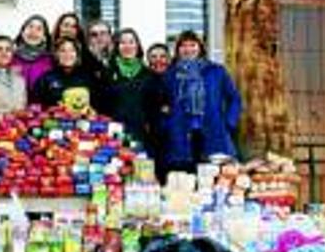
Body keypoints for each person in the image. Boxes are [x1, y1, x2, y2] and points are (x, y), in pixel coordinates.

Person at [162, 30, 242, 175]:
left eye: (192, 45)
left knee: (212, 176)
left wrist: (229, 122)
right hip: (180, 133)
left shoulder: (216, 71)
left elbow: (234, 98)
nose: (188, 49)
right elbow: (161, 101)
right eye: (183, 46)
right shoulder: (170, 74)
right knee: (185, 177)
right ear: (178, 49)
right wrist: (166, 122)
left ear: (200, 47)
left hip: (213, 131)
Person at [102, 28, 153, 149]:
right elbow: (102, 104)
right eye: (123, 42)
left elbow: (152, 104)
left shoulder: (148, 73)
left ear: (137, 45)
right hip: (114, 134)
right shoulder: (107, 72)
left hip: (142, 133)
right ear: (117, 47)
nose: (127, 46)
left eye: (131, 42)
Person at [33, 37, 100, 111]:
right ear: (56, 54)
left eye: (72, 50)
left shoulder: (89, 78)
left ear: (77, 54)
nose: (67, 54)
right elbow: (37, 107)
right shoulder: (45, 79)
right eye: (62, 51)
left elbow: (97, 107)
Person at [143, 42, 171, 184]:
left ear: (169, 59)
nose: (158, 60)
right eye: (153, 57)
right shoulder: (144, 81)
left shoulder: (176, 79)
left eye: (162, 56)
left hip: (173, 138)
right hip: (151, 137)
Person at [12, 14, 53, 98]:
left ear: (44, 37)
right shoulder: (10, 57)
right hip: (15, 108)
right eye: (30, 27)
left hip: (42, 109)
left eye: (39, 29)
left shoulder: (51, 60)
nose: (33, 31)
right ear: (22, 32)